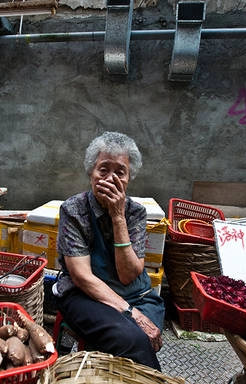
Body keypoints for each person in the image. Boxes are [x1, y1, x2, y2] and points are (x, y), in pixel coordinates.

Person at [53, 131, 165, 370]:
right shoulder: (74, 210)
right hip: (86, 294)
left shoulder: (135, 213)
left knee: (139, 339)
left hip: (135, 294)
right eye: (104, 170)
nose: (111, 178)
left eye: (120, 172)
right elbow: (82, 277)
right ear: (91, 173)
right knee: (131, 338)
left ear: (129, 178)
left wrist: (118, 217)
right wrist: (131, 313)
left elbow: (128, 274)